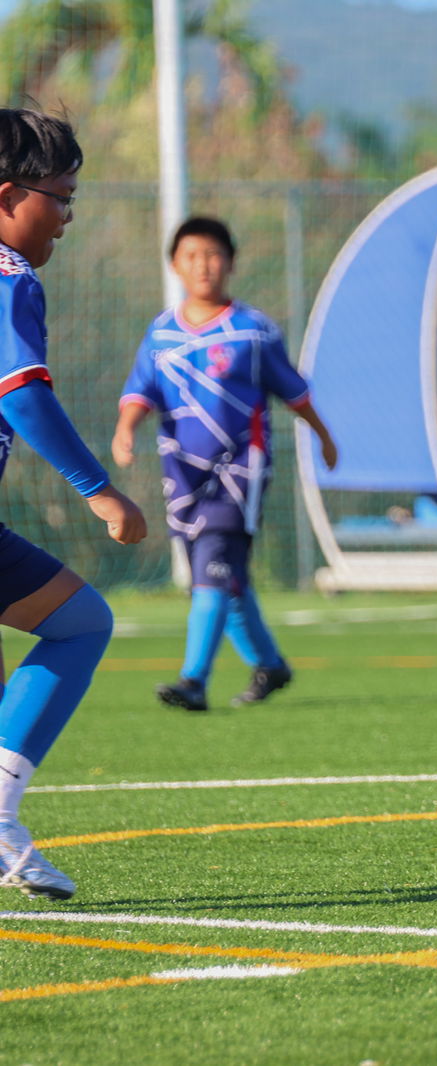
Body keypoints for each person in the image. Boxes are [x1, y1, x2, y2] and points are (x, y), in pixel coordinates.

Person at [0, 108, 146, 900]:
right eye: (59, 196)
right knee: (81, 622)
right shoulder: (9, 278)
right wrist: (101, 493)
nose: (67, 215)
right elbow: (22, 393)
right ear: (6, 195)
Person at [113, 216, 337, 712]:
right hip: (182, 473)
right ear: (174, 264)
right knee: (223, 576)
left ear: (231, 262)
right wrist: (125, 429)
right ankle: (270, 664)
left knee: (211, 572)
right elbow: (140, 391)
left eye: (213, 255)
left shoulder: (253, 332)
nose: (203, 266)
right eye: (192, 256)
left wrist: (323, 436)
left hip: (239, 472)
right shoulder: (161, 334)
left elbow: (294, 392)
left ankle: (194, 679)